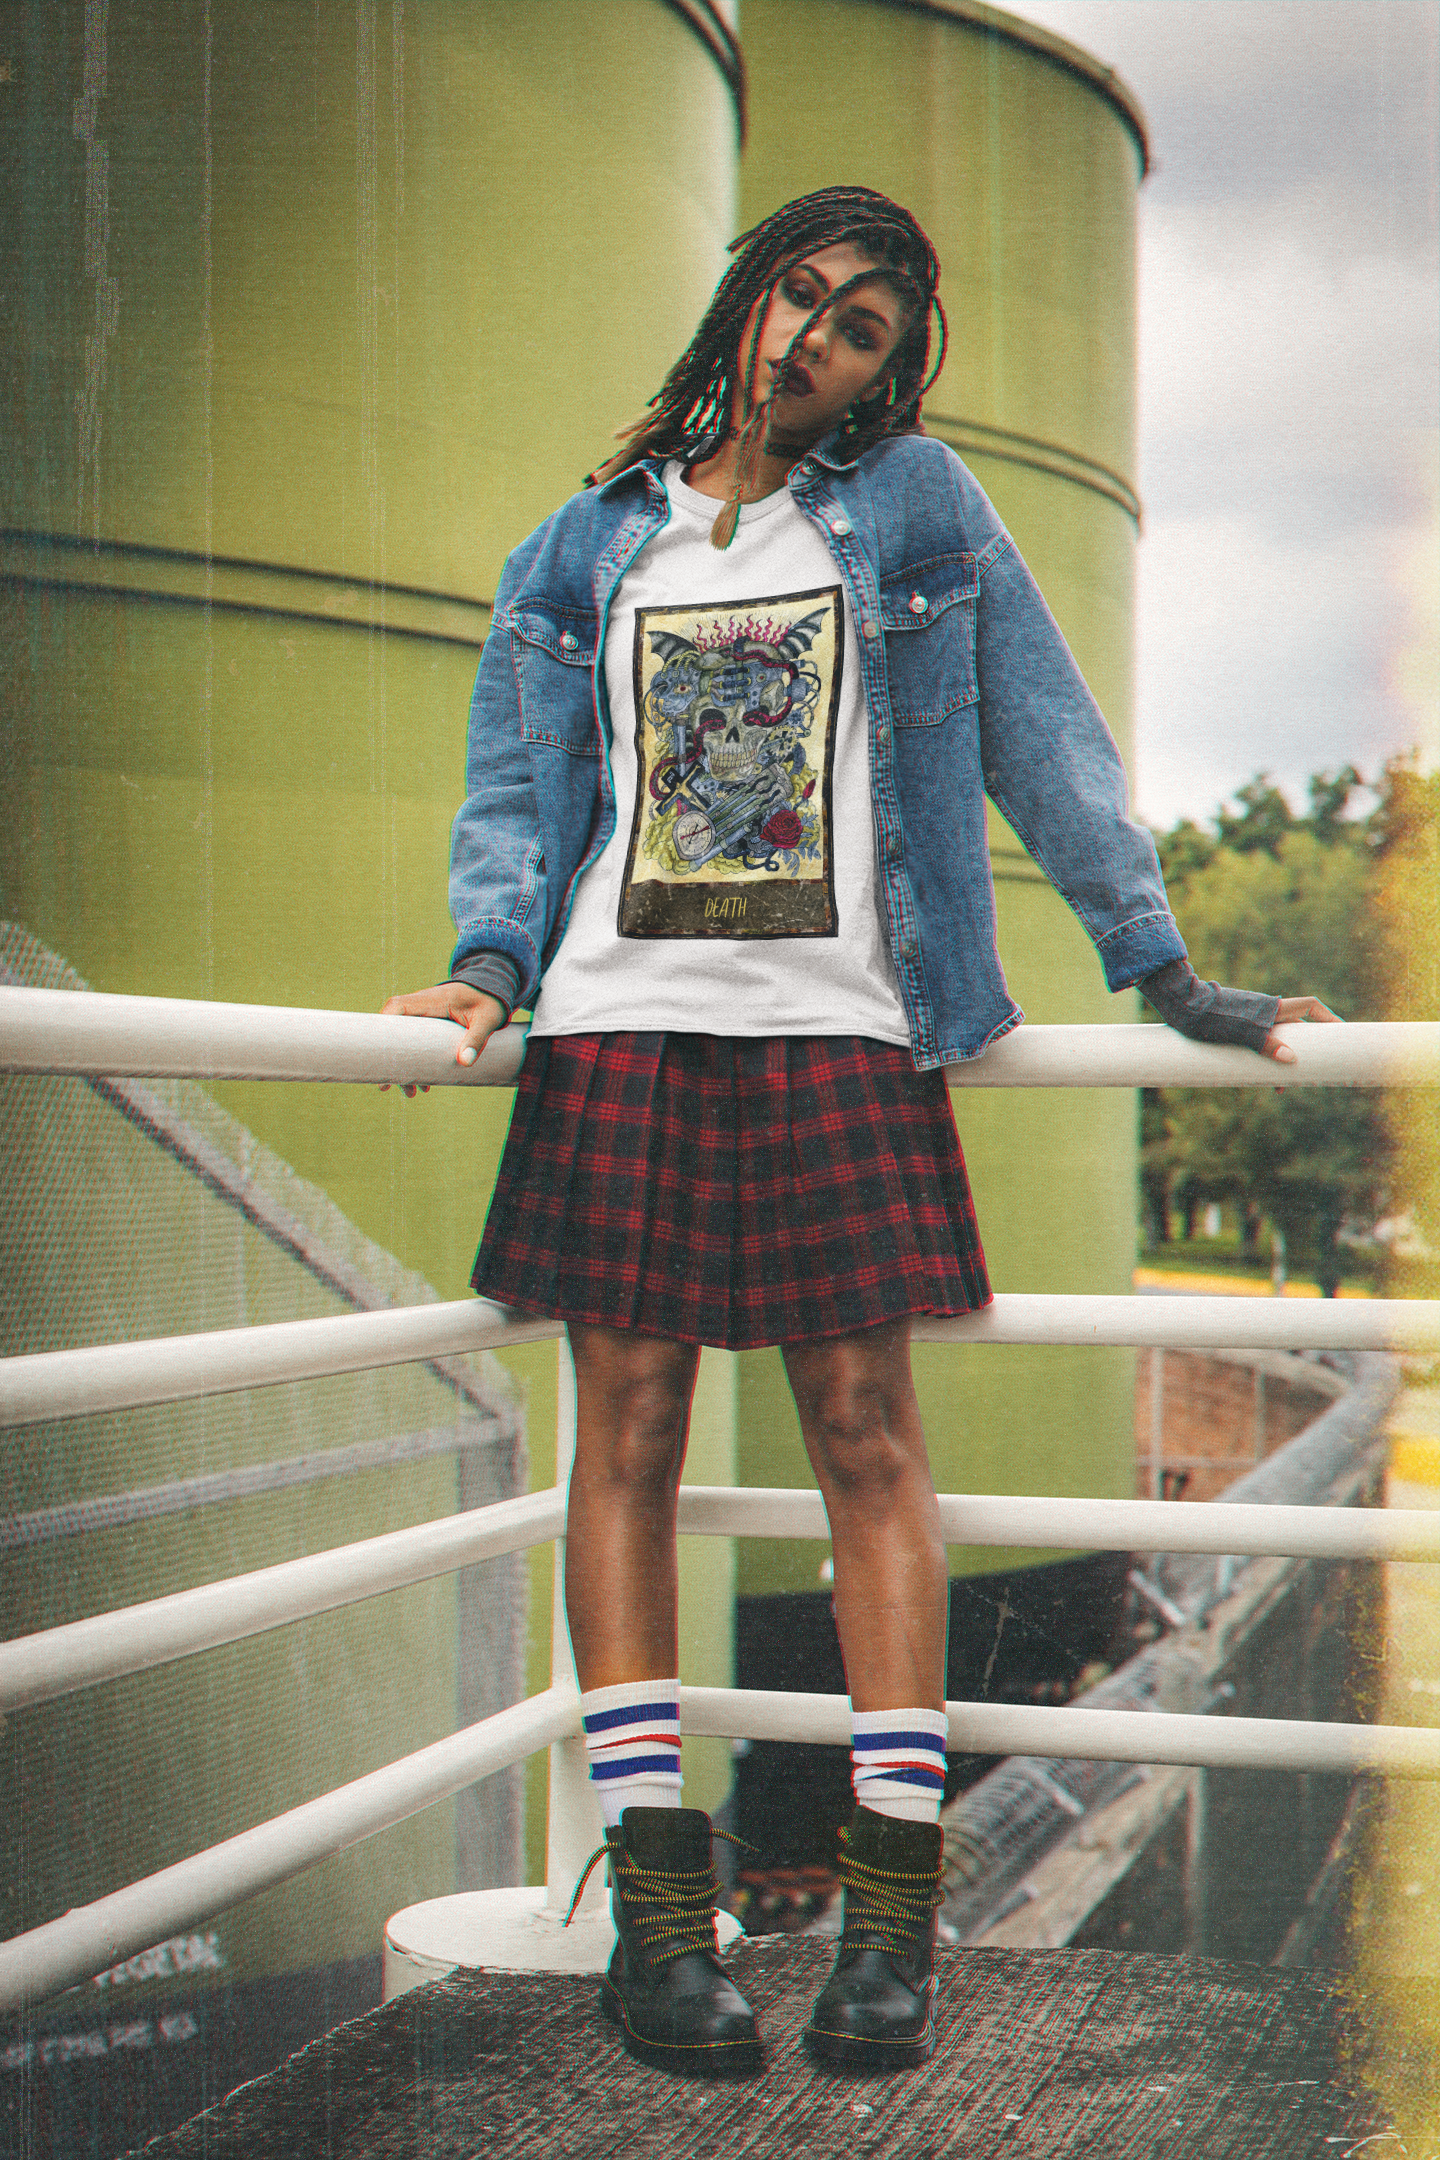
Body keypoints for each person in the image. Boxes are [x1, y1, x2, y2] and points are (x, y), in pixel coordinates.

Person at [384, 186, 1336, 2078]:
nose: (814, 341)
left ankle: (889, 1919)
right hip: (621, 1024)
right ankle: (662, 1905)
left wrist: (1161, 966)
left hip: (840, 1031)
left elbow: (1046, 742)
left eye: (861, 329)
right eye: (799, 298)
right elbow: (516, 793)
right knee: (632, 1433)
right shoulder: (578, 550)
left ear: (892, 370)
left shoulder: (917, 514)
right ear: (746, 300)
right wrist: (490, 966)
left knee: (865, 1439)